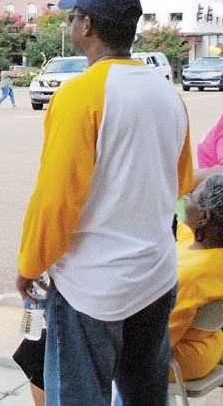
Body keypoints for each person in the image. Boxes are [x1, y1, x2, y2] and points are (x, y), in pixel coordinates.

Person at [16, 0, 193, 406]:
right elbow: (182, 183)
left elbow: (57, 200)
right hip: (154, 276)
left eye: (73, 16)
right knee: (143, 396)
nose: (72, 23)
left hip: (91, 288)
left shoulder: (80, 95)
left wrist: (29, 266)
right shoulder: (167, 95)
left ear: (87, 26)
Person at [14, 172, 223, 405]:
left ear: (204, 216)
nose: (186, 199)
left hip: (180, 359)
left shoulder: (195, 274)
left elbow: (154, 339)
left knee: (47, 348)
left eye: (192, 197)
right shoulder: (202, 246)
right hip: (207, 346)